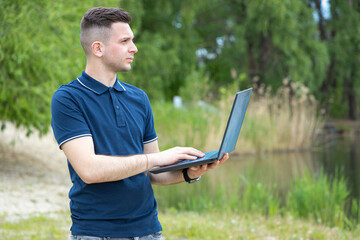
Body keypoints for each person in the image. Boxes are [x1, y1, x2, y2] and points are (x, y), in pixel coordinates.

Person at [51, 7, 228, 240]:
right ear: (98, 48)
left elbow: (152, 173)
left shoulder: (139, 98)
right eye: (125, 41)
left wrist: (189, 172)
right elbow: (89, 170)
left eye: (132, 40)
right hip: (97, 233)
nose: (134, 48)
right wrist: (156, 159)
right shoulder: (68, 99)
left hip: (149, 231)